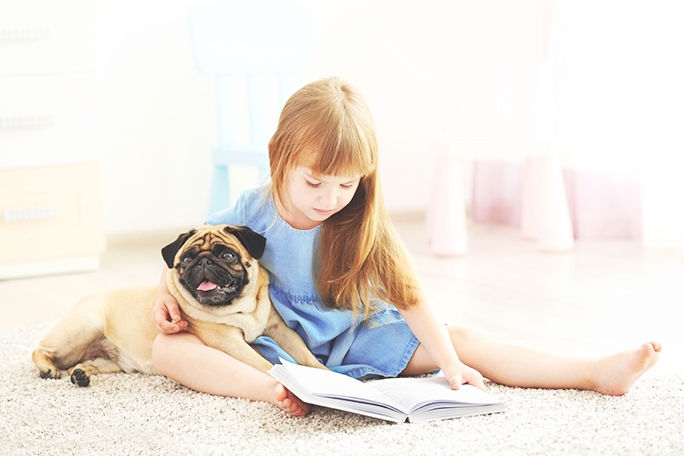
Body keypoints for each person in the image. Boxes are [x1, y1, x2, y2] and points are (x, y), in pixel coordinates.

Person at [152, 76, 661, 417]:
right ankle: (274, 391)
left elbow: (412, 298)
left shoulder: (359, 220)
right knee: (168, 349)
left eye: (346, 184)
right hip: (276, 342)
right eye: (315, 183)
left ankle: (591, 372)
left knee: (460, 338)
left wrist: (451, 364)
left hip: (360, 335)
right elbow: (187, 253)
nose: (330, 199)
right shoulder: (249, 209)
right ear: (277, 156)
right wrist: (164, 297)